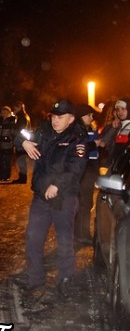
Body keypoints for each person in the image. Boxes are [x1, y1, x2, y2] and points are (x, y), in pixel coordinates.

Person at [16, 99, 87, 299]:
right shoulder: (44, 131)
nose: (55, 120)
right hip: (41, 195)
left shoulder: (77, 138)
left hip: (64, 197)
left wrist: (57, 185)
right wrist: (23, 141)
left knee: (64, 239)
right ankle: (35, 279)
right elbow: (19, 134)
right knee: (33, 237)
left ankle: (65, 279)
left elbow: (76, 167)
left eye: (60, 117)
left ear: (71, 118)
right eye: (53, 116)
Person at [74, 104, 100, 246]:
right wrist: (94, 144)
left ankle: (79, 234)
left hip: (86, 170)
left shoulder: (85, 128)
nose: (92, 117)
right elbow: (79, 150)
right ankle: (82, 235)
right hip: (83, 172)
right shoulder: (78, 130)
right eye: (89, 115)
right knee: (84, 203)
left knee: (83, 203)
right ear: (81, 115)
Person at [97, 98, 130, 169]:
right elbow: (104, 143)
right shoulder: (120, 126)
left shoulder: (127, 127)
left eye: (123, 109)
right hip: (114, 166)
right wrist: (113, 128)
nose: (120, 112)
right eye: (117, 110)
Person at [0, 106, 16, 180]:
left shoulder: (12, 121)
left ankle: (6, 175)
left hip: (7, 144)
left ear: (9, 113)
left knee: (7, 161)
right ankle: (1, 174)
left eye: (6, 112)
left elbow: (13, 132)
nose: (4, 114)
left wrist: (11, 140)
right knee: (0, 160)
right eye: (3, 112)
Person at [12, 100, 32, 184]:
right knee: (22, 159)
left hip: (21, 141)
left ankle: (22, 178)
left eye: (15, 108)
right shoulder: (24, 116)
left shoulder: (21, 117)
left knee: (21, 160)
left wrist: (14, 133)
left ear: (19, 107)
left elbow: (19, 129)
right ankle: (22, 177)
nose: (14, 109)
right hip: (23, 140)